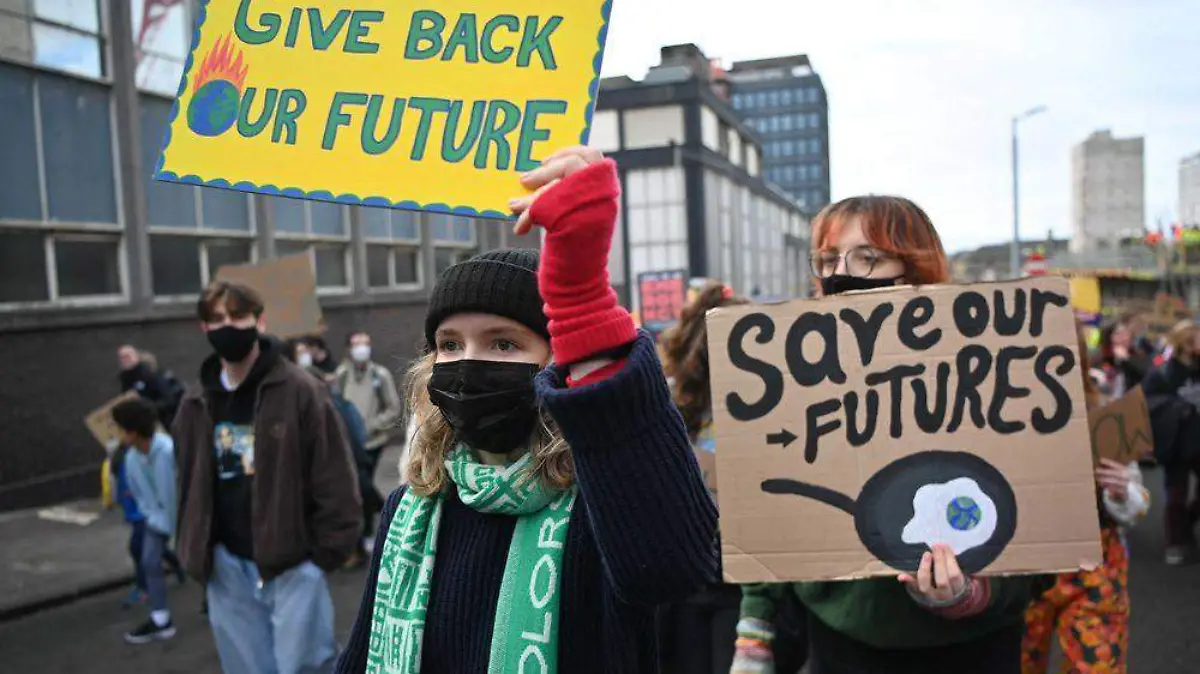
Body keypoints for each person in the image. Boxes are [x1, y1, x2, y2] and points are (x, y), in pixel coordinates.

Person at [335, 146, 719, 673]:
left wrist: (583, 305)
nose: (468, 363)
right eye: (449, 344)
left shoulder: (600, 509)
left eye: (504, 344)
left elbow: (675, 565)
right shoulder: (410, 509)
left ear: (555, 364)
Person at [736, 196, 1043, 674]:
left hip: (966, 652)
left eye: (865, 257)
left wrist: (969, 593)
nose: (841, 272)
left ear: (913, 265)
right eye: (829, 258)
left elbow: (1039, 537)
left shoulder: (983, 368)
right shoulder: (801, 372)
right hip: (839, 643)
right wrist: (754, 634)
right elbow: (774, 511)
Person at [174, 280, 362, 674]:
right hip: (226, 567)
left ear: (259, 322)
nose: (228, 326)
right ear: (204, 328)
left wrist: (322, 556)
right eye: (217, 319)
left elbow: (335, 476)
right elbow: (187, 482)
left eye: (238, 316)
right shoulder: (194, 403)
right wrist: (194, 548)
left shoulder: (301, 391)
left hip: (292, 563)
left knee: (307, 667)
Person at [1020, 325, 1150, 673]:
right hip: (1022, 570)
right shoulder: (990, 419)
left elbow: (1137, 501)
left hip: (1094, 569)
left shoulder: (1104, 413)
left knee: (1097, 666)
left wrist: (1121, 490)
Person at [290, 337, 382, 567]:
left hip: (363, 445)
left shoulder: (375, 376)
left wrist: (372, 427)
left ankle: (359, 544)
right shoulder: (333, 377)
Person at [111, 397, 180, 643]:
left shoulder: (165, 452)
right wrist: (154, 519)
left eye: (119, 428)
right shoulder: (132, 458)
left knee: (203, 565)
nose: (116, 433)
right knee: (150, 560)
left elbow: (172, 497)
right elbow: (143, 497)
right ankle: (161, 620)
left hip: (178, 516)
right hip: (155, 518)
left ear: (132, 431)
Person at [335, 331, 402, 562]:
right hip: (350, 443)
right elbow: (337, 405)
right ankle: (375, 522)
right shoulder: (342, 375)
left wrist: (373, 426)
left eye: (365, 343)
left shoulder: (379, 375)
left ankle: (377, 522)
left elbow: (393, 408)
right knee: (360, 487)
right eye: (356, 344)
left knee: (364, 485)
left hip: (373, 443)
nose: (361, 348)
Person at [1142, 320, 1200, 565]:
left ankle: (1186, 524)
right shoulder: (1165, 368)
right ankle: (1175, 542)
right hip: (1176, 441)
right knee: (1175, 495)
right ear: (1186, 341)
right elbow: (1148, 397)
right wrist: (1178, 408)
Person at [118, 345, 183, 428]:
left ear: (136, 356)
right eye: (121, 358)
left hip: (164, 419)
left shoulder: (150, 374)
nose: (125, 360)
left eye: (127, 356)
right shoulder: (125, 380)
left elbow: (168, 400)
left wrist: (148, 408)